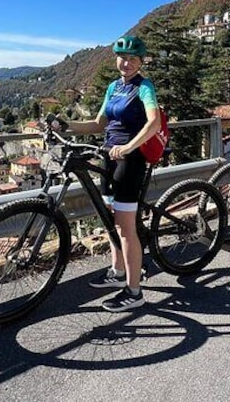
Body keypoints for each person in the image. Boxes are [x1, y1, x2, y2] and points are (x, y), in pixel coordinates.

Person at [59, 35, 161, 312]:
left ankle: (134, 291)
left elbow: (154, 122)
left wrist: (129, 146)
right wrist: (64, 125)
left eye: (132, 59)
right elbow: (98, 123)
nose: (126, 63)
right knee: (110, 219)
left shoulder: (144, 87)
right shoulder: (113, 87)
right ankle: (117, 274)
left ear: (140, 62)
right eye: (122, 58)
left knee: (125, 227)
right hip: (109, 156)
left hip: (132, 158)